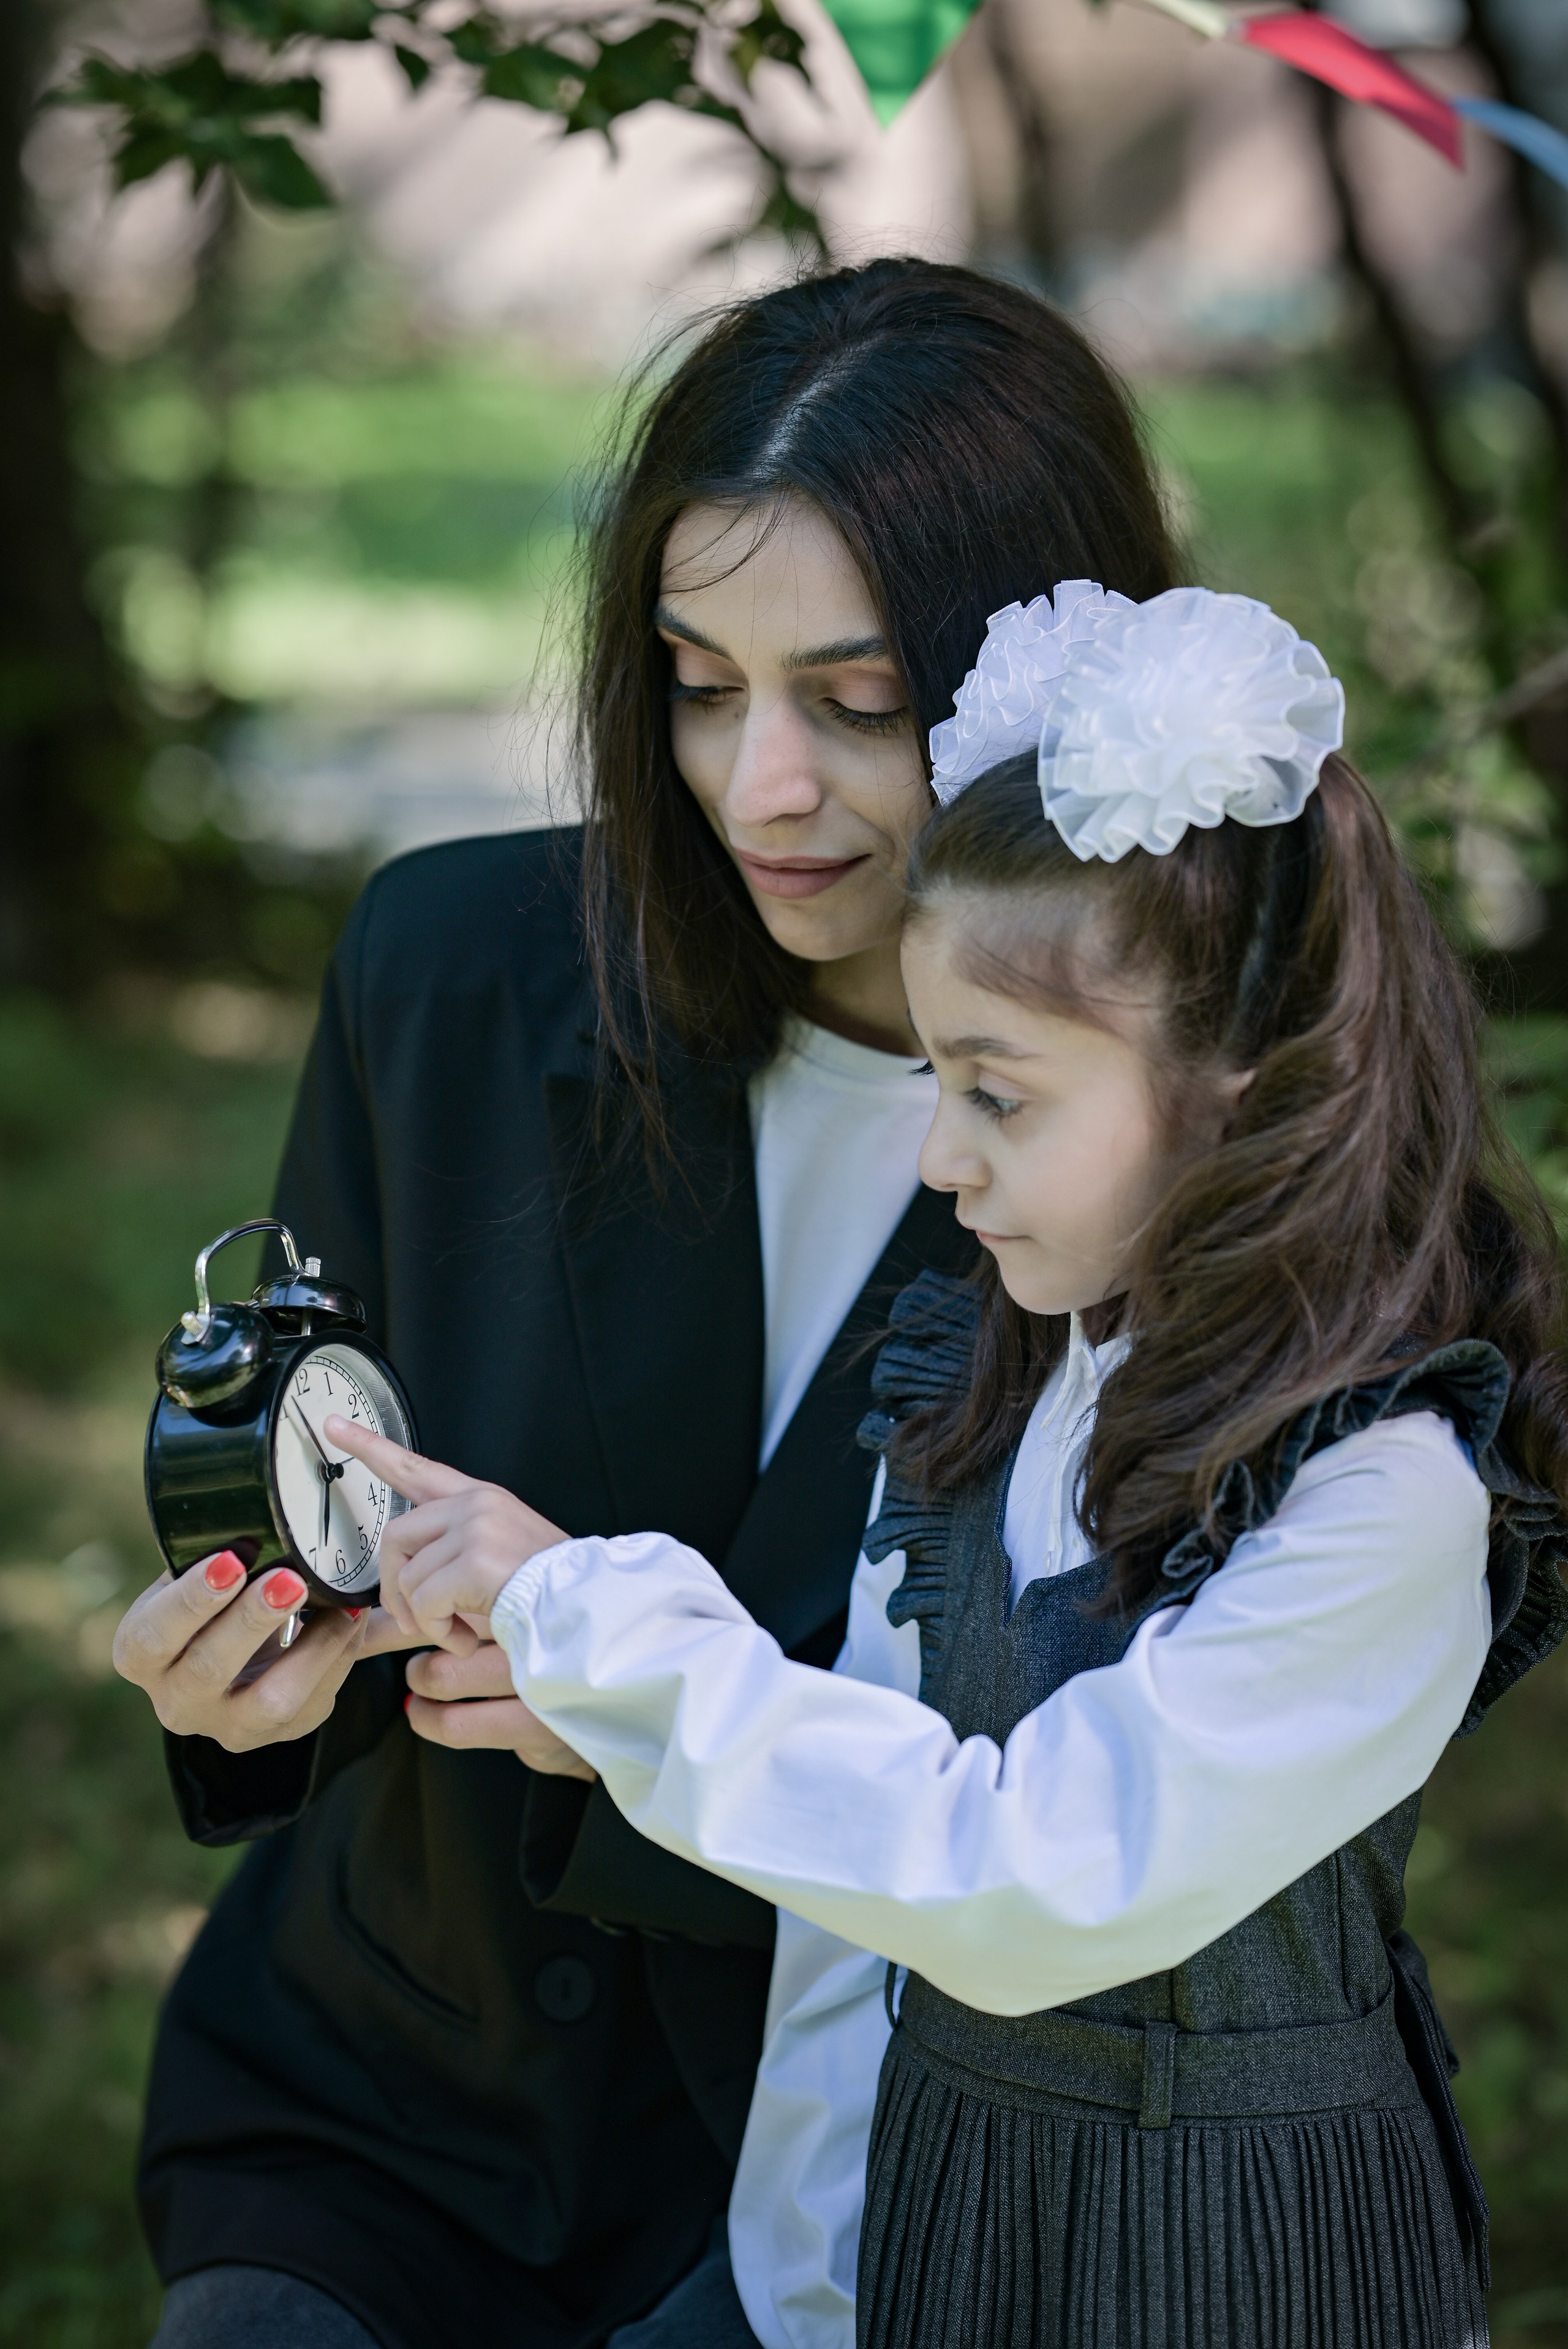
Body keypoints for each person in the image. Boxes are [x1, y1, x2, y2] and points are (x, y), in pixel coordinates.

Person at [110, 265, 1179, 2349]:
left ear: (1053, 676)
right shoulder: (448, 968)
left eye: (860, 702)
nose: (759, 784)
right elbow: (321, 1529)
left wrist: (658, 1710)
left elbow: (1139, 1823)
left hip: (875, 2172)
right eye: (699, 682)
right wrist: (245, 1681)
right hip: (393, 2121)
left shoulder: (1178, 1131)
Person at [345, 581, 1568, 2349]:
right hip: (932, 2238)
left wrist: (602, 1617)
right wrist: (806, 2281)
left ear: (1241, 1088)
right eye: (934, 1078)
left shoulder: (1383, 1499)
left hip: (1225, 2274)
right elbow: (875, 1910)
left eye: (999, 1093)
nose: (940, 1157)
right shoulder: (1024, 1365)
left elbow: (1019, 1877)